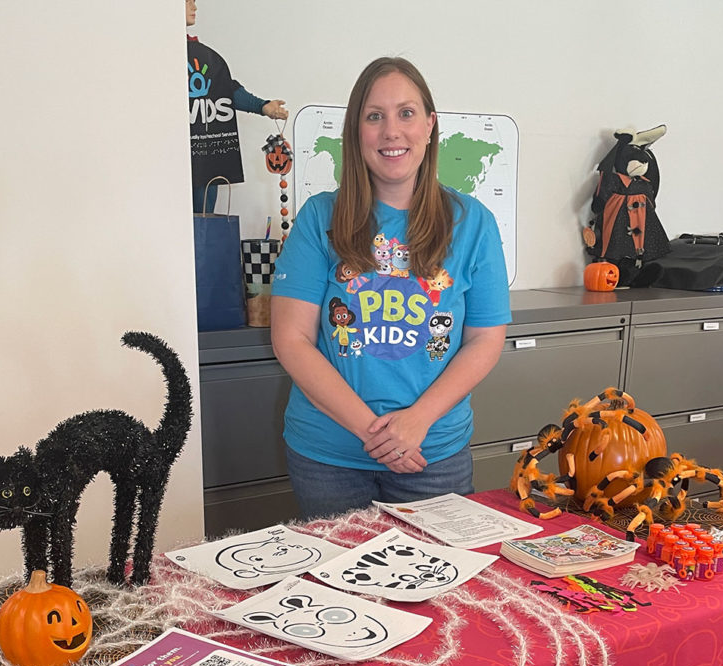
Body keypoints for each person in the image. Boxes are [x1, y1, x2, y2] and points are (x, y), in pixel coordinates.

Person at [270, 57, 511, 520]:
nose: (391, 131)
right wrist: (379, 436)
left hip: (433, 454)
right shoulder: (319, 218)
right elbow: (292, 340)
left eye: (406, 113)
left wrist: (416, 422)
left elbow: (485, 339)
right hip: (328, 457)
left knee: (438, 587)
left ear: (429, 125)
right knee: (336, 588)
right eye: (374, 116)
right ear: (356, 130)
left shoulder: (473, 221)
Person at [186, 0, 288, 212]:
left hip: (204, 156)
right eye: (188, 2)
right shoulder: (153, 53)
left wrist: (264, 107)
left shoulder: (202, 55)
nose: (195, 8)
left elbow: (225, 89)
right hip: (168, 155)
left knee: (203, 220)